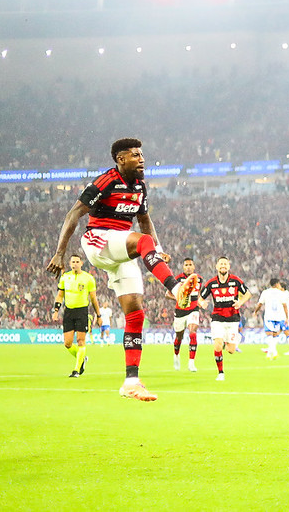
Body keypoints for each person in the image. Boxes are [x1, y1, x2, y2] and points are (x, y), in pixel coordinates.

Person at [46, 138, 197, 402]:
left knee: (135, 313)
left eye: (142, 155)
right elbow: (73, 214)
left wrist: (157, 248)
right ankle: (175, 287)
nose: (142, 159)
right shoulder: (106, 181)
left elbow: (144, 218)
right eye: (135, 155)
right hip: (98, 240)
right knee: (141, 241)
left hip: (120, 248)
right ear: (120, 159)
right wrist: (60, 253)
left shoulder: (139, 186)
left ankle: (131, 381)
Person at [198, 257, 251, 381]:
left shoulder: (236, 281)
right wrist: (202, 303)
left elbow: (248, 293)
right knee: (217, 345)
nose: (223, 266)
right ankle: (221, 372)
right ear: (216, 266)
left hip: (233, 318)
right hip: (217, 318)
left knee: (231, 350)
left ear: (228, 267)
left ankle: (233, 340)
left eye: (225, 264)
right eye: (221, 264)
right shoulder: (211, 283)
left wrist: (240, 302)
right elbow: (200, 297)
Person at [52, 254, 101, 377]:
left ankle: (76, 370)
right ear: (69, 264)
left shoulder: (88, 278)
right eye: (73, 261)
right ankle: (82, 359)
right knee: (67, 343)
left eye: (77, 261)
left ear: (81, 263)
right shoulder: (65, 277)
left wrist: (99, 315)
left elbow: (94, 299)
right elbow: (60, 296)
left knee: (80, 341)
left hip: (82, 311)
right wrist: (56, 311)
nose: (75, 264)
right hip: (68, 312)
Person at [170, 258, 203, 372]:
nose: (188, 267)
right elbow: (167, 294)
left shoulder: (199, 279)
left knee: (193, 332)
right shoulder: (177, 279)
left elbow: (198, 294)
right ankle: (176, 355)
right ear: (183, 267)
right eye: (186, 265)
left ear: (194, 267)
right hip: (180, 311)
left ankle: (191, 363)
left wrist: (201, 301)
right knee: (179, 337)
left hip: (193, 309)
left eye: (190, 265)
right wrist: (179, 297)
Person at [254, 278, 289, 360]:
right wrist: (287, 317)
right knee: (275, 335)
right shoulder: (281, 293)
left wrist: (255, 312)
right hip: (278, 317)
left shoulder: (265, 292)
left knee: (269, 334)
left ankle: (273, 352)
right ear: (277, 284)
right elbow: (285, 306)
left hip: (269, 317)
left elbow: (260, 304)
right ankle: (271, 352)